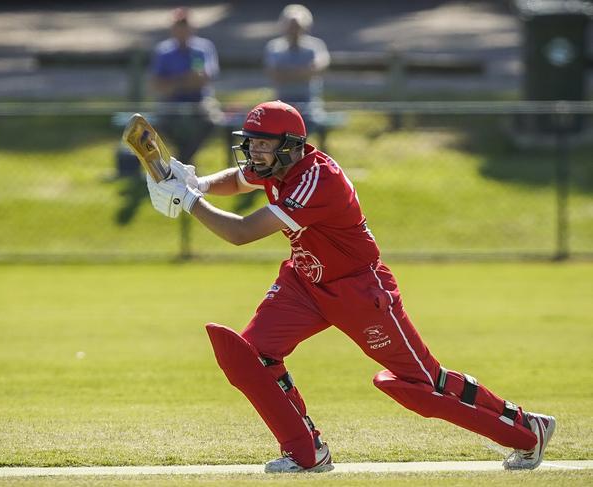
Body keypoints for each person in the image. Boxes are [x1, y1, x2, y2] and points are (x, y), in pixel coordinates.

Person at [143, 101, 556, 473]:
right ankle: (306, 451)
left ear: (291, 146)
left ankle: (526, 429)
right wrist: (197, 182)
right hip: (304, 282)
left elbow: (241, 232)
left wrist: (189, 200)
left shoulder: (315, 180)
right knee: (254, 356)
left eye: (262, 146)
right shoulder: (274, 164)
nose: (254, 153)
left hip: (359, 291)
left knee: (424, 384)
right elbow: (239, 178)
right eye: (250, 144)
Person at [149, 6, 221, 166]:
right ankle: (185, 160)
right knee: (160, 123)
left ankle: (182, 160)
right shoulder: (163, 51)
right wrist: (184, 81)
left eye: (185, 25)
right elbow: (157, 84)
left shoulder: (202, 49)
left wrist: (174, 82)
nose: (182, 30)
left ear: (192, 28)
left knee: (212, 121)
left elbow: (204, 79)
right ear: (172, 28)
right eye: (178, 26)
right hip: (170, 102)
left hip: (199, 100)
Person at [264, 4, 330, 130]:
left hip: (309, 104)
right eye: (290, 27)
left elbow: (319, 67)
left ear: (305, 26)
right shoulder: (273, 47)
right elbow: (274, 74)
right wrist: (303, 72)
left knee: (308, 123)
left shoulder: (316, 46)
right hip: (281, 103)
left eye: (297, 27)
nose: (293, 31)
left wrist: (287, 73)